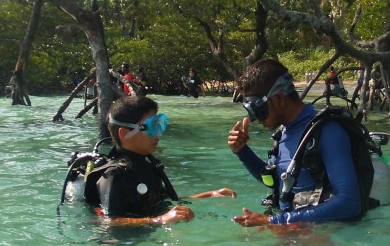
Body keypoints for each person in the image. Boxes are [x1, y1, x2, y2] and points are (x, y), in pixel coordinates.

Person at [227, 59, 362, 227]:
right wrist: (242, 152)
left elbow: (349, 203)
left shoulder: (327, 131)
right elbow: (276, 181)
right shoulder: (284, 133)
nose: (254, 119)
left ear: (278, 99)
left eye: (258, 110)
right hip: (296, 234)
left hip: (325, 241)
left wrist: (273, 220)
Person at [93, 95, 235, 227]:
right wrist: (159, 220)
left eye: (160, 124)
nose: (159, 134)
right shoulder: (114, 175)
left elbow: (163, 202)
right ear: (125, 134)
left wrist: (209, 195)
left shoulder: (149, 167)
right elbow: (109, 220)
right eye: (152, 126)